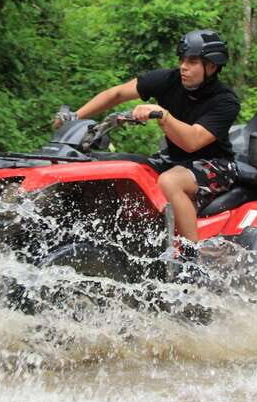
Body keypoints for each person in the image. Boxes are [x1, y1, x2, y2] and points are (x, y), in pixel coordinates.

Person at [53, 29, 240, 250]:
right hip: (173, 158)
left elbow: (193, 141)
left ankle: (192, 258)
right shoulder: (168, 79)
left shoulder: (225, 101)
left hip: (216, 164)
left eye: (192, 61)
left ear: (211, 66)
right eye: (182, 60)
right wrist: (75, 116)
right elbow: (118, 94)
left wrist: (163, 115)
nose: (183, 66)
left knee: (170, 182)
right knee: (120, 167)